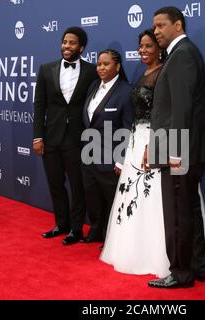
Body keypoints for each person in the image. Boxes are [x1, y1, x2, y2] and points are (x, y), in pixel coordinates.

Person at [100, 29, 205, 278]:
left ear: (159, 48)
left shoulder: (168, 69)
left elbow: (171, 112)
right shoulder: (142, 74)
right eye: (140, 46)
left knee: (167, 204)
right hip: (137, 141)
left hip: (156, 141)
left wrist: (155, 144)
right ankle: (139, 251)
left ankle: (172, 262)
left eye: (148, 46)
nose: (142, 50)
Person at [146, 7, 205, 288]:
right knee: (188, 208)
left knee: (177, 211)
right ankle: (198, 267)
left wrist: (175, 152)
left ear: (178, 24)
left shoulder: (183, 55)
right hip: (186, 147)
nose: (156, 31)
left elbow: (182, 109)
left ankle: (180, 273)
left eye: (161, 25)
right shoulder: (182, 54)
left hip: (180, 149)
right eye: (154, 27)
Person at [33, 27, 98, 245]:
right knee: (55, 183)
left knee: (77, 185)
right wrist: (37, 137)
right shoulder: (46, 69)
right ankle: (62, 224)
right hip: (51, 137)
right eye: (64, 42)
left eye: (72, 43)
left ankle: (77, 229)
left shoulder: (91, 71)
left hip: (77, 138)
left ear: (81, 47)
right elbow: (39, 106)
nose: (66, 46)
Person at [81, 49, 133, 244]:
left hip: (111, 158)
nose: (101, 68)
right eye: (99, 64)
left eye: (106, 64)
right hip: (88, 154)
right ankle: (96, 229)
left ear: (117, 66)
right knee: (92, 197)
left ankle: (112, 237)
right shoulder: (94, 86)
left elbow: (128, 127)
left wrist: (120, 159)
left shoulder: (126, 92)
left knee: (112, 200)